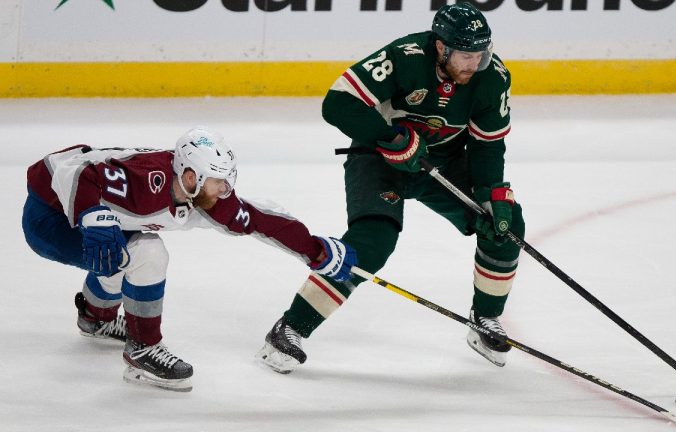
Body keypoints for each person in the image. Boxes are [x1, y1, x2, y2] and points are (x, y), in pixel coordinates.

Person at [258, 3, 524, 374]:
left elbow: (488, 146)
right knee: (372, 242)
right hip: (378, 158)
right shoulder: (404, 57)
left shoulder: (491, 77)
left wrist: (490, 195)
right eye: (465, 55)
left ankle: (485, 321)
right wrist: (389, 137)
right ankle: (289, 328)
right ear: (441, 47)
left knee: (506, 227)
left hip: (440, 164)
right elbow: (337, 103)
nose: (473, 64)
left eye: (480, 55)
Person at [22, 127, 357, 391]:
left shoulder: (207, 199)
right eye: (216, 180)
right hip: (48, 216)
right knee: (147, 252)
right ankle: (143, 349)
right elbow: (77, 169)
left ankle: (97, 318)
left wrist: (314, 250)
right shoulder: (146, 180)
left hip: (80, 216)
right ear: (190, 176)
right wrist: (89, 213)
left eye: (227, 179)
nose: (224, 188)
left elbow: (258, 219)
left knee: (120, 248)